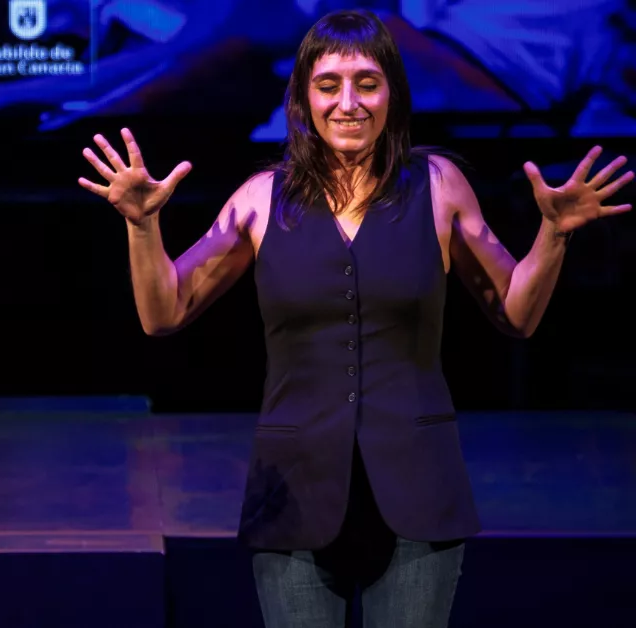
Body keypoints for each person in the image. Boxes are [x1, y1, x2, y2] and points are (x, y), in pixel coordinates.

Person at [78, 9, 631, 628]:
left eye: (367, 83)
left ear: (393, 92)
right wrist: (142, 225)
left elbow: (517, 314)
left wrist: (553, 235)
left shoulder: (439, 185)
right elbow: (164, 312)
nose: (349, 102)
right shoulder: (263, 197)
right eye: (328, 85)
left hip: (419, 490)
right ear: (303, 98)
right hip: (293, 493)